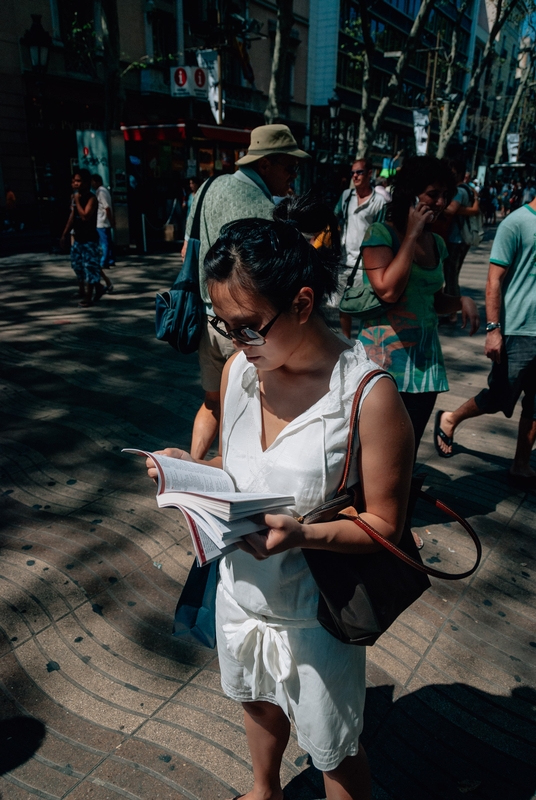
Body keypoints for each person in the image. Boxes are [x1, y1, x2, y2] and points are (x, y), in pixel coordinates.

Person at [145, 194, 414, 800]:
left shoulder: (367, 395)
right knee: (256, 697)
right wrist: (195, 471)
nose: (237, 343)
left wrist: (304, 533)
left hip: (314, 611)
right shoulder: (242, 371)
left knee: (332, 746)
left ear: (302, 303)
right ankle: (264, 791)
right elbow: (244, 468)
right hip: (240, 591)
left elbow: (386, 525)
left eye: (248, 326)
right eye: (224, 325)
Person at [184, 124, 310, 461]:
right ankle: (219, 480)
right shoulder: (263, 211)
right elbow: (272, 283)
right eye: (289, 166)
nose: (292, 176)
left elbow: (187, 252)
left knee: (213, 401)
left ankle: (193, 473)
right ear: (265, 164)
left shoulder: (207, 187)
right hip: (246, 327)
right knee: (248, 411)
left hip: (209, 320)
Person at [355, 155, 480, 453]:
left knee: (405, 452)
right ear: (410, 193)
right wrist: (410, 235)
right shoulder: (380, 235)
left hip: (425, 368)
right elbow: (388, 292)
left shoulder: (436, 243)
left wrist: (461, 301)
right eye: (432, 194)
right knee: (373, 454)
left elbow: (434, 301)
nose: (440, 203)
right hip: (383, 364)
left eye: (445, 196)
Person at [434, 194, 536, 488]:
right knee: (500, 396)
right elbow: (494, 279)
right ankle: (450, 419)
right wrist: (493, 329)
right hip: (519, 329)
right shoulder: (516, 222)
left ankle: (521, 464)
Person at [333, 159, 387, 338]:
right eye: (353, 173)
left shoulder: (378, 202)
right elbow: (335, 219)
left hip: (366, 266)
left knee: (367, 305)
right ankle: (348, 341)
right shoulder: (346, 196)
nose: (355, 176)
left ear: (370, 173)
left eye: (359, 172)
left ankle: (366, 342)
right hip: (344, 260)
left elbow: (381, 232)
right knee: (344, 304)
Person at [440, 159, 481, 317]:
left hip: (455, 239)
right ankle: (453, 312)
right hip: (461, 239)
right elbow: (471, 210)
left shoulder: (459, 191)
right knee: (452, 275)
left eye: (452, 171)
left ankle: (452, 313)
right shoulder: (468, 190)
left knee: (451, 275)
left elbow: (451, 210)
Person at [60, 169, 105, 307]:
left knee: (89, 267)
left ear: (86, 183)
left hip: (89, 239)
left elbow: (85, 215)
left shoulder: (91, 198)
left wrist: (78, 201)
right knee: (77, 265)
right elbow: (73, 216)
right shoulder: (74, 197)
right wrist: (64, 234)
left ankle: (88, 296)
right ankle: (95, 287)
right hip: (78, 238)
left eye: (78, 181)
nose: (75, 184)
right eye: (74, 181)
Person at [91, 173, 114, 293]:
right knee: (106, 242)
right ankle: (108, 260)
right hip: (102, 222)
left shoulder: (101, 192)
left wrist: (110, 220)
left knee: (104, 243)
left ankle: (104, 261)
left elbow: (107, 208)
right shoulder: (102, 191)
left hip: (102, 222)